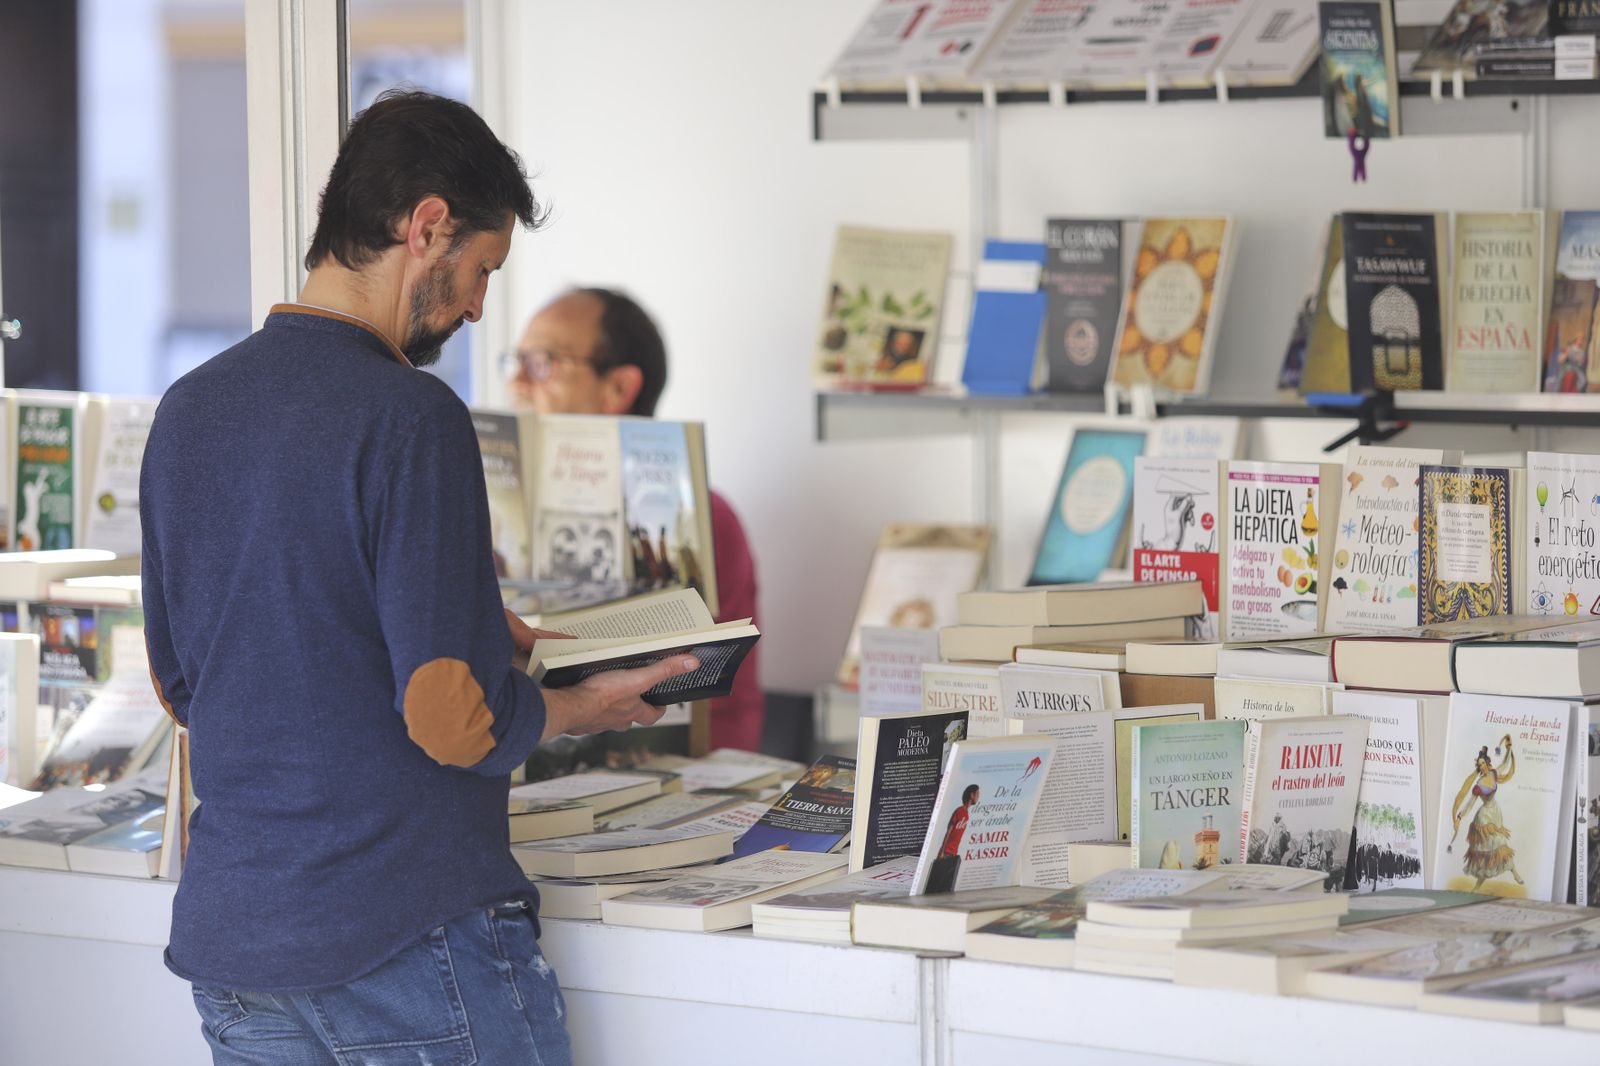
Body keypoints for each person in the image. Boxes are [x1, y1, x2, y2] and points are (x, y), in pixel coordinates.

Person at [141, 90, 701, 1065]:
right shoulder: (411, 416)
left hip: (238, 942)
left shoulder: (189, 409)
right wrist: (582, 704)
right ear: (427, 225)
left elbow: (182, 685)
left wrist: (477, 621)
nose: (482, 303)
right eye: (482, 268)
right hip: (405, 936)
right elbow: (454, 719)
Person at [505, 287, 765, 750]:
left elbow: (726, 703)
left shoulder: (710, 518)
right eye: (516, 361)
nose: (517, 384)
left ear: (619, 388)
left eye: (542, 362)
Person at [1451, 737, 1525, 892]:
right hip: (1484, 820)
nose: (1482, 766)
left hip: (1495, 814)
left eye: (1483, 763)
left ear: (1487, 762)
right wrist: (1459, 817)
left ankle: (1514, 872)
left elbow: (1505, 764)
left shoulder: (1493, 773)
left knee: (1500, 847)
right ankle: (1478, 886)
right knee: (1487, 853)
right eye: (1479, 765)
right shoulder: (1478, 785)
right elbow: (1470, 804)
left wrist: (1509, 748)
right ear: (1478, 767)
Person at [926, 784, 979, 893]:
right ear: (971, 795)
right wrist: (941, 851)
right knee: (939, 883)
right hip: (946, 852)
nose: (978, 797)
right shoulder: (959, 811)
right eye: (977, 794)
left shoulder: (967, 815)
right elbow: (948, 832)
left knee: (947, 884)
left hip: (953, 854)